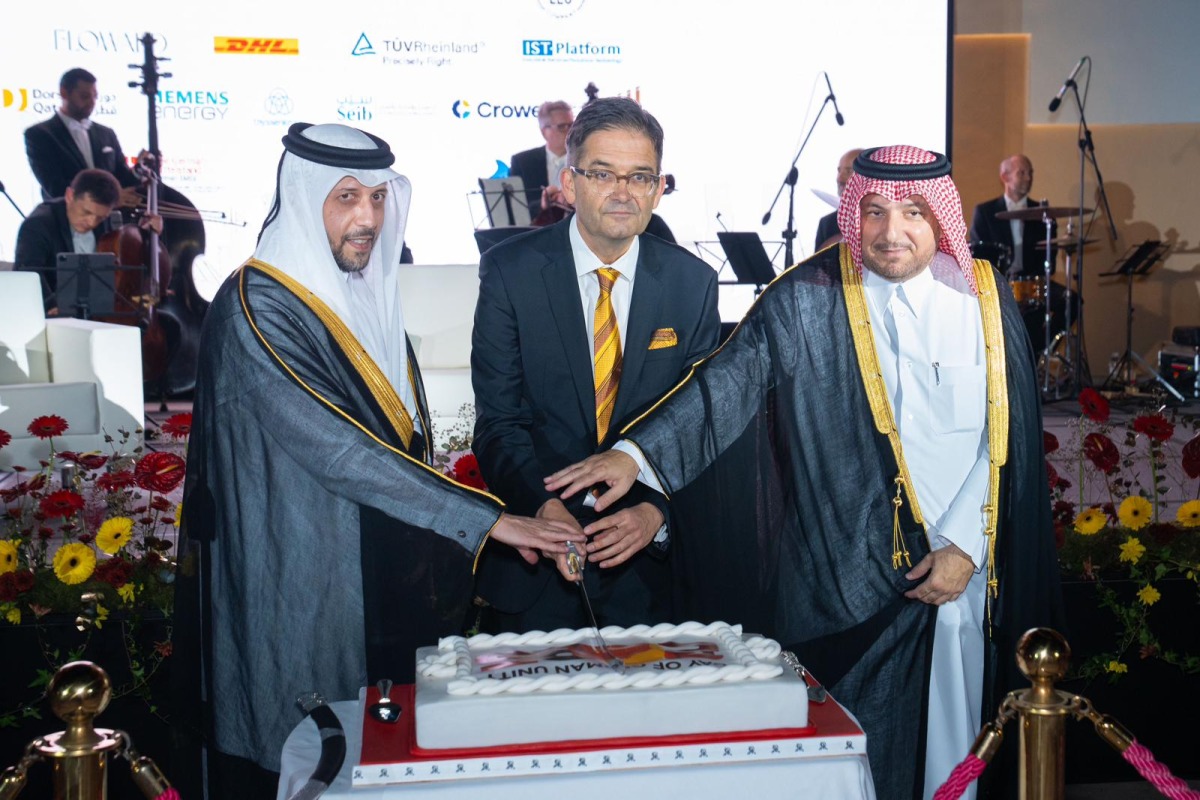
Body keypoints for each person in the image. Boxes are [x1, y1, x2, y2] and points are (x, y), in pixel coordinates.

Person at [547, 146, 1063, 800]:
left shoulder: (983, 299)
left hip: (963, 572)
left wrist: (965, 546)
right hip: (851, 575)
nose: (890, 231)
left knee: (955, 747)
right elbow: (727, 385)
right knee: (857, 747)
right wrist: (636, 456)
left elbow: (1005, 435)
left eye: (911, 212)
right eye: (873, 211)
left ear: (941, 219)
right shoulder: (814, 292)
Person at [172, 122, 585, 799]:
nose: (367, 217)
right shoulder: (257, 306)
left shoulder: (359, 296)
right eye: (344, 198)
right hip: (303, 574)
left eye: (376, 198)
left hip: (375, 566)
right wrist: (488, 521)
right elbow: (338, 449)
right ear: (306, 202)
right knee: (306, 750)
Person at [472, 97, 720, 633]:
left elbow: (705, 424)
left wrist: (657, 512)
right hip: (535, 569)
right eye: (603, 173)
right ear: (569, 183)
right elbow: (498, 422)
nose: (624, 192)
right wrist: (541, 507)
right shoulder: (509, 274)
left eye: (641, 177)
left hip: (653, 576)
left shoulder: (691, 284)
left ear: (657, 188)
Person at [13, 168, 161, 312]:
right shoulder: (38, 225)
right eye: (86, 212)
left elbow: (130, 253)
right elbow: (27, 272)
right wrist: (51, 306)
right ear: (70, 196)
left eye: (100, 217)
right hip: (53, 316)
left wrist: (147, 234)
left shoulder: (108, 221)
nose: (91, 222)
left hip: (98, 312)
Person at [24, 68, 141, 205]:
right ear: (64, 93)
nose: (92, 102)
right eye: (85, 96)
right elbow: (55, 188)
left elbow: (121, 179)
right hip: (66, 222)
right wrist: (110, 199)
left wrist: (139, 170)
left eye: (95, 96)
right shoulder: (39, 134)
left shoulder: (107, 133)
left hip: (110, 222)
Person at [969, 154, 1055, 279]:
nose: (1028, 178)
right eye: (1022, 173)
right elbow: (979, 257)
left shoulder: (1042, 214)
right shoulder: (985, 212)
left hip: (1033, 285)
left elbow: (1049, 256)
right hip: (997, 284)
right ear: (1005, 177)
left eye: (1030, 173)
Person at [508, 99, 573, 216]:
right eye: (562, 126)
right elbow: (515, 211)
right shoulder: (523, 162)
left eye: (572, 125)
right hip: (537, 231)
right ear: (544, 132)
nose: (570, 131)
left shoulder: (586, 160)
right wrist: (543, 204)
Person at [813, 147, 863, 251]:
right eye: (839, 171)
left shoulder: (887, 215)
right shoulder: (827, 223)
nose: (839, 178)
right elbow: (818, 266)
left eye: (849, 171)